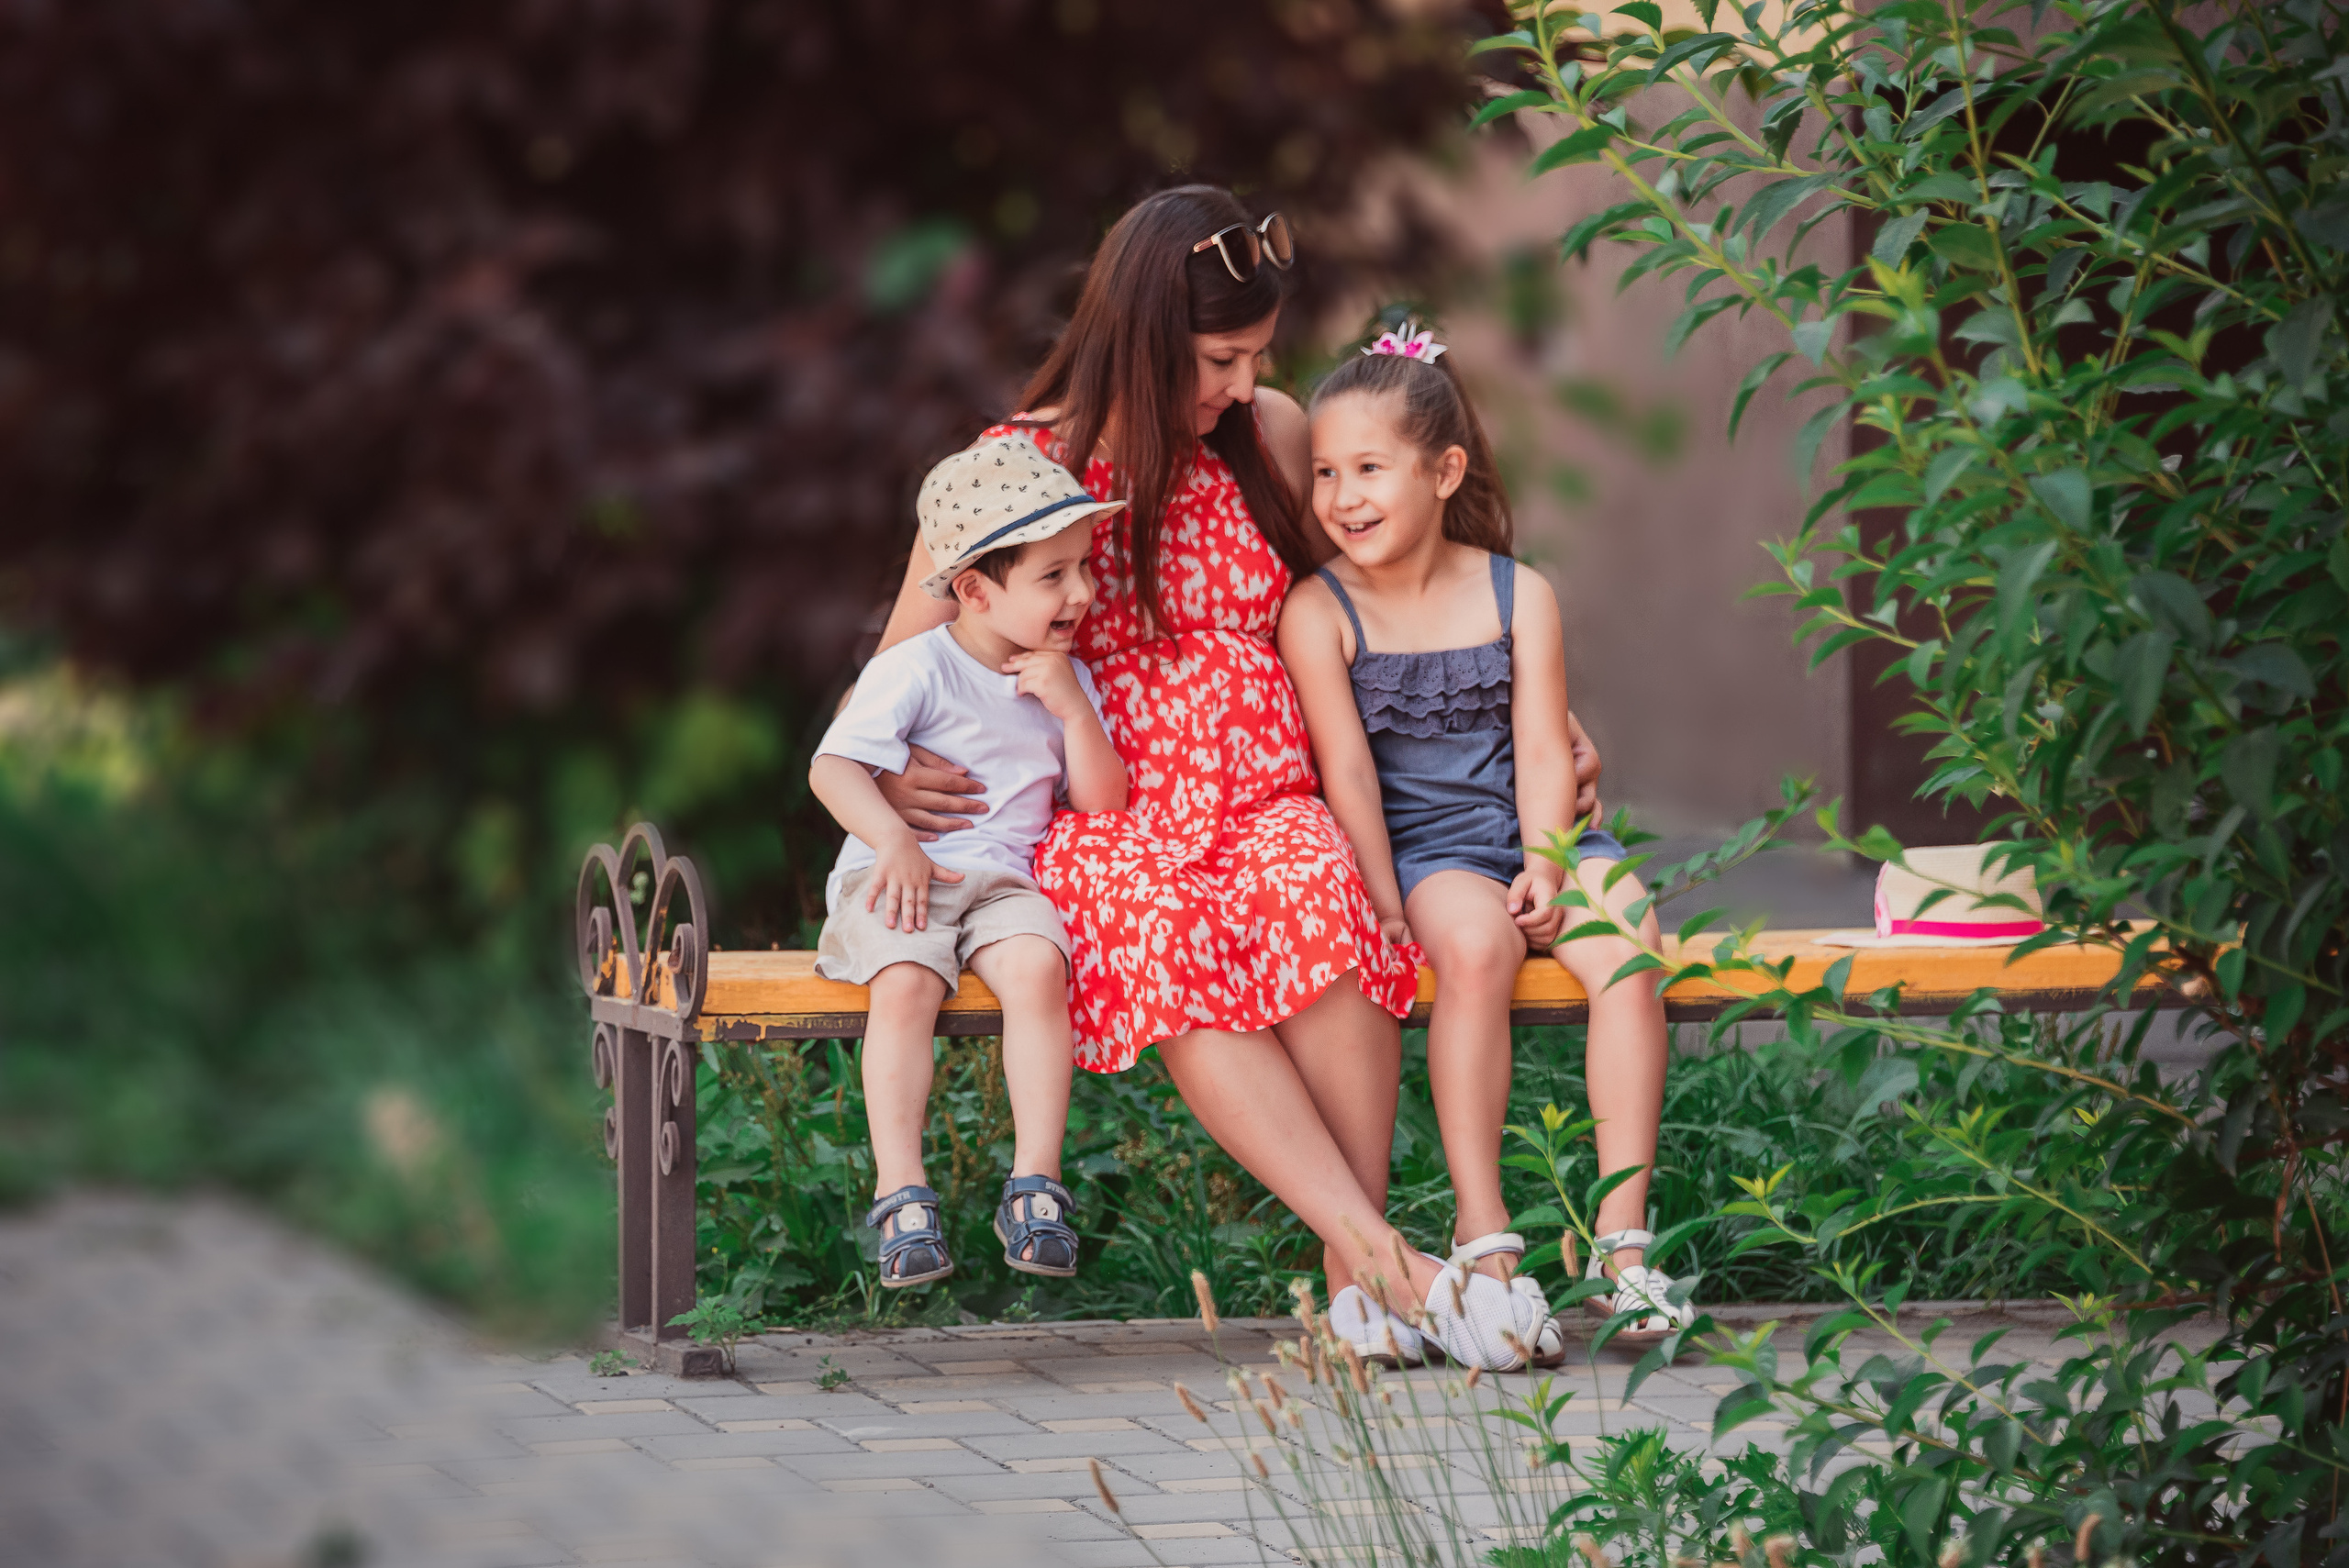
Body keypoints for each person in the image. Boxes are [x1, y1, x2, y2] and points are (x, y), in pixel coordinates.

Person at [864, 186, 1603, 1368]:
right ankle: (1394, 1266)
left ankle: (1351, 1286)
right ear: (1146, 335)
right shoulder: (1017, 468)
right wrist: (890, 779)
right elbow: (910, 661)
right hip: (1111, 812)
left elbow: (1390, 594)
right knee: (1164, 937)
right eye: (1219, 357)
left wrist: (1534, 729)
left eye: (1258, 353)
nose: (1240, 382)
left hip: (1271, 795)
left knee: (1330, 907)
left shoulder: (1267, 431)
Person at [1278, 322, 1695, 1348]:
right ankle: (1483, 1226)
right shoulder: (1318, 607)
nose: (1342, 496)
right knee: (1473, 948)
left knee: (1629, 937)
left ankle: (1622, 1239)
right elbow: (1348, 779)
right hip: (1425, 853)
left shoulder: (1517, 590)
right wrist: (1380, 899)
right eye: (1326, 472)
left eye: (1369, 468)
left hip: (1533, 831)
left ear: (1443, 469)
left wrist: (1552, 861)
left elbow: (1547, 748)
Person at [807, 437, 1129, 1289]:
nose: (1082, 593)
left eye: (1084, 569)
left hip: (1001, 884)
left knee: (1037, 966)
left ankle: (1036, 1184)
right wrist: (895, 840)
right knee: (907, 983)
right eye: (1054, 576)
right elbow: (832, 766)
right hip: (900, 874)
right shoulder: (917, 668)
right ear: (977, 589)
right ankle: (901, 1192)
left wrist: (1072, 709)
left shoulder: (1065, 677)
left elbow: (1101, 801)